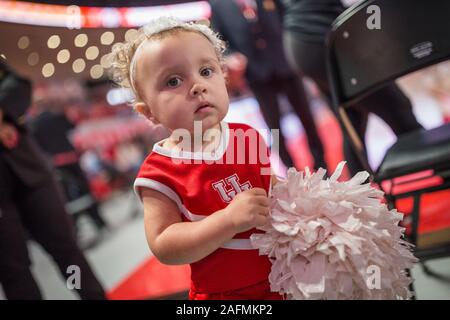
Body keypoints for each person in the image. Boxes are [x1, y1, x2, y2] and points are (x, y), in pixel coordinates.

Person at [107, 17, 283, 300]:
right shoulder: (159, 172)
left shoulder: (247, 137)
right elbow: (164, 244)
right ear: (148, 112)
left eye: (206, 71)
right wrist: (227, 220)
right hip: (225, 295)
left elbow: (274, 192)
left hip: (284, 279)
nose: (198, 86)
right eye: (173, 80)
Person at [0, 60, 106, 300]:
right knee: (13, 270)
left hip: (30, 169)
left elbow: (17, 83)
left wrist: (2, 113)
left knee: (66, 251)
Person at [280, 0, 423, 174]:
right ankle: (443, 172)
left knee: (352, 120)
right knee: (398, 108)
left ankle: (360, 197)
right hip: (322, 36)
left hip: (303, 41)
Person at [209, 0, 327, 171]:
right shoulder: (219, 5)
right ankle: (291, 170)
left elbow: (287, 19)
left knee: (307, 118)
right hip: (257, 74)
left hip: (286, 65)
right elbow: (219, 40)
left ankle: (321, 164)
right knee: (275, 127)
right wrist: (231, 56)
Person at [29, 99, 109, 236]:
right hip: (72, 160)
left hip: (56, 165)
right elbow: (73, 127)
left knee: (67, 198)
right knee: (85, 191)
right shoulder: (58, 117)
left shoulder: (33, 125)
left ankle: (75, 230)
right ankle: (99, 222)